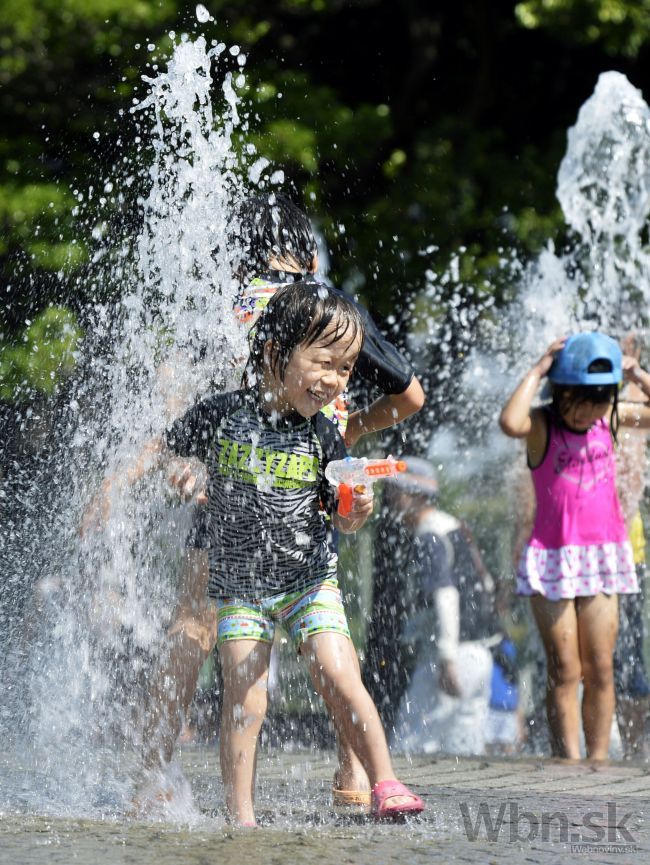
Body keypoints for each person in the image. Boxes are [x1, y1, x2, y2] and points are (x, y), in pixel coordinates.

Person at [138, 192, 424, 810]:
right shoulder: (329, 308)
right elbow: (411, 397)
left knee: (194, 626)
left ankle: (153, 774)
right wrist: (345, 433)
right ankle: (355, 775)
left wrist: (181, 467)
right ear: (303, 249)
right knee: (326, 634)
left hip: (231, 491)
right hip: (306, 497)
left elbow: (180, 403)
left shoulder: (228, 303)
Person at [499, 331, 650, 760]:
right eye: (580, 401)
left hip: (603, 557)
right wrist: (539, 367)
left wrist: (633, 370)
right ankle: (568, 761)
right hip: (552, 558)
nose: (589, 412)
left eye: (600, 400)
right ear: (559, 392)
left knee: (601, 667)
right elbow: (510, 422)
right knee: (566, 669)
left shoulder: (611, 421)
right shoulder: (542, 426)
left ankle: (598, 763)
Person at [386, 458, 501, 756]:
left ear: (415, 494)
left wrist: (447, 658)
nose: (389, 499)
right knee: (466, 748)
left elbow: (446, 593)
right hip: (480, 653)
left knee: (410, 742)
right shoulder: (454, 527)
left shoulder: (430, 535)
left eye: (395, 491)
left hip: (453, 655)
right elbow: (485, 584)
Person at [614, 332, 650, 757]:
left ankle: (635, 748)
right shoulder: (593, 404)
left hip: (628, 542)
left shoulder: (635, 404)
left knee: (630, 651)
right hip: (582, 540)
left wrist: (636, 372)